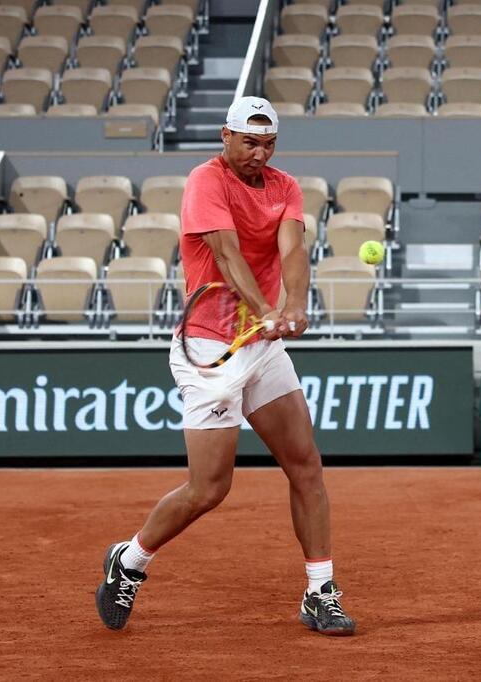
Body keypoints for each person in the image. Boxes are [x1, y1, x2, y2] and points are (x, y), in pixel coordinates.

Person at [95, 97, 356, 636]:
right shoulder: (204, 180)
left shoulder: (285, 187)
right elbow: (227, 253)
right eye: (249, 142)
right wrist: (265, 309)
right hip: (211, 351)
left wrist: (297, 305)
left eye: (268, 144)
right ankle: (131, 561)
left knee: (305, 465)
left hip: (262, 350)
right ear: (226, 135)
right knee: (209, 490)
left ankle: (319, 590)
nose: (259, 153)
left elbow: (292, 251)